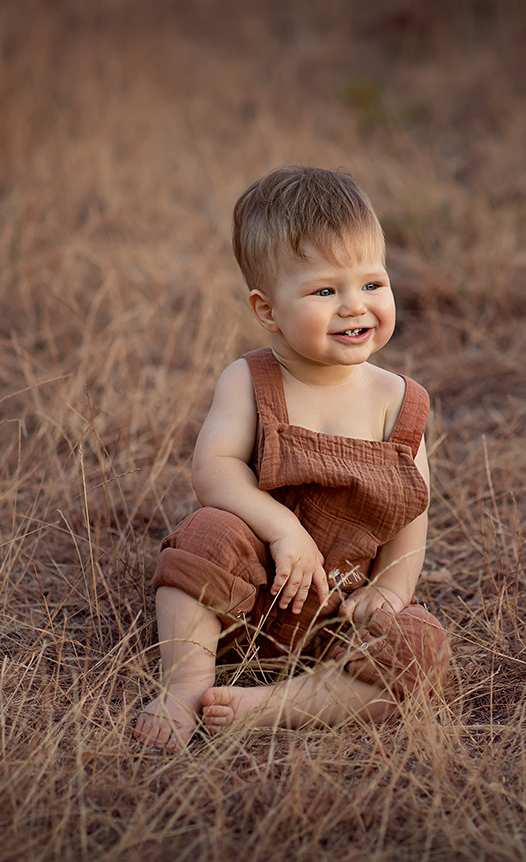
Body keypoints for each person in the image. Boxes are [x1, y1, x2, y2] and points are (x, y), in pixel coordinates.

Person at [134, 165, 450, 751]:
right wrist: (283, 530)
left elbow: (411, 515)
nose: (355, 306)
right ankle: (185, 683)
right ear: (267, 310)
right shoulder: (250, 381)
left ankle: (272, 707)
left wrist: (390, 591)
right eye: (325, 291)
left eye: (372, 284)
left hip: (337, 616)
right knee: (205, 535)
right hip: (246, 594)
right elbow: (215, 470)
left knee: (420, 648)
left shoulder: (399, 402)